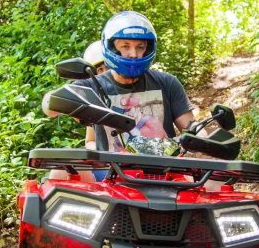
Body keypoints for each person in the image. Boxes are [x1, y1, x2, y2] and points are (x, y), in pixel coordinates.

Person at [74, 11, 195, 152]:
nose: (133, 54)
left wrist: (204, 138)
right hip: (113, 165)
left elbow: (192, 129)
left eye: (140, 47)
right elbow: (54, 104)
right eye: (125, 46)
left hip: (164, 164)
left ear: (148, 49)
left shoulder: (167, 83)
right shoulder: (92, 87)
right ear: (112, 47)